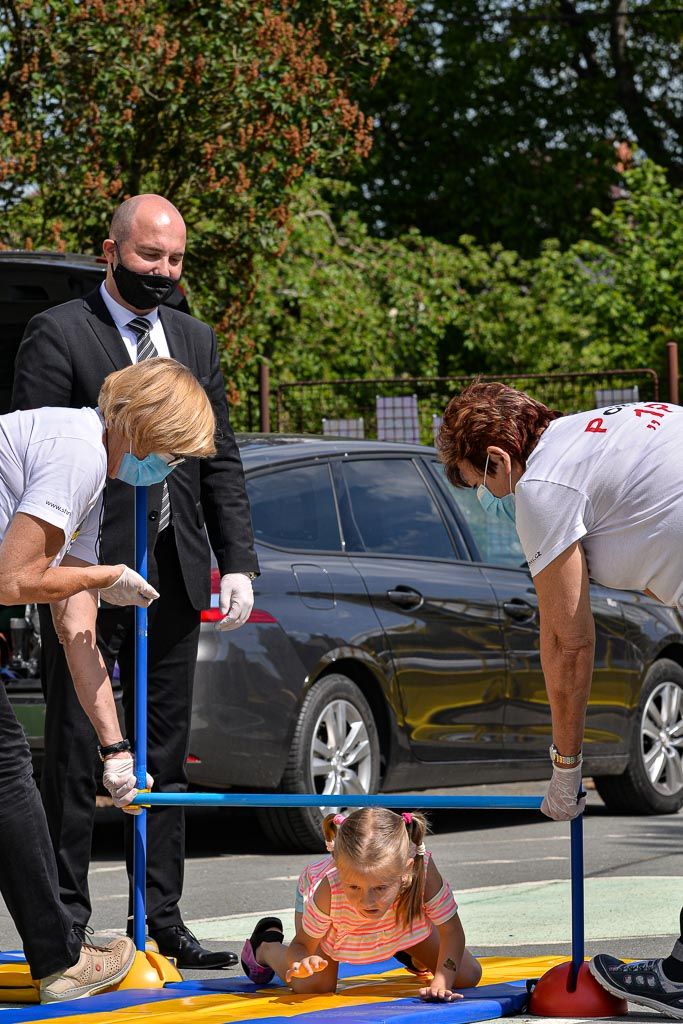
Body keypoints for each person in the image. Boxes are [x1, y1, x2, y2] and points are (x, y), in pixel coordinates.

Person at [11, 193, 259, 970]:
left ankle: (163, 912)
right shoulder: (60, 334)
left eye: (176, 259)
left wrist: (237, 560)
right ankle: (68, 921)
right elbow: (44, 485)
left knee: (160, 748)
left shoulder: (194, 338)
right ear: (111, 249)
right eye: (150, 257)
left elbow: (217, 457)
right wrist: (85, 573)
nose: (164, 272)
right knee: (75, 749)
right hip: (78, 562)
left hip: (173, 569)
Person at [437, 380, 683, 1018]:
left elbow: (568, 641)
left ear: (497, 457)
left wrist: (567, 768)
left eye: (475, 482)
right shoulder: (602, 431)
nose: (487, 496)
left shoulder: (542, 486)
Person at [0, 356, 216, 1001]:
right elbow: (14, 580)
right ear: (145, 425)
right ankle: (62, 960)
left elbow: (75, 627)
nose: (171, 467)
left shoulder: (90, 471)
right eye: (173, 452)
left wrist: (116, 749)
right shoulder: (78, 452)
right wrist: (103, 576)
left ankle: (59, 949)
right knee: (9, 773)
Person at [239, 807, 481, 1001]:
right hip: (336, 927)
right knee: (314, 986)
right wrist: (300, 962)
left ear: (405, 872)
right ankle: (266, 947)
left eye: (380, 888)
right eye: (354, 887)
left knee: (466, 975)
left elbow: (452, 931)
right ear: (340, 872)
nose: (367, 900)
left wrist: (441, 981)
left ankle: (407, 949)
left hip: (398, 922)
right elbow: (302, 944)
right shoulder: (329, 889)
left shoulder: (423, 872)